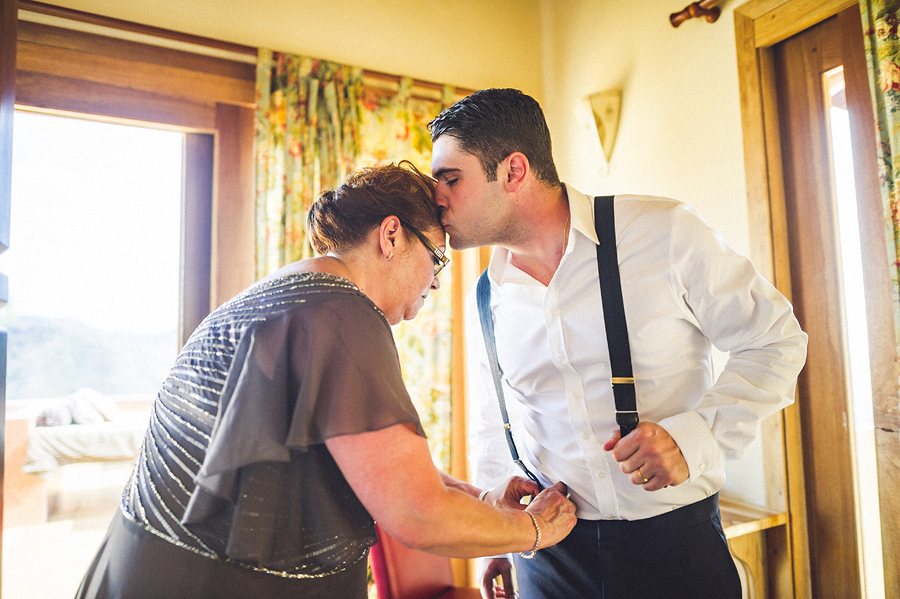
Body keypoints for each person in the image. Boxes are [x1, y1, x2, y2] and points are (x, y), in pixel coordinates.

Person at [74, 161, 577, 599]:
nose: (436, 282)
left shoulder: (284, 295)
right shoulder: (341, 315)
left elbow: (374, 466)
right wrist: (532, 529)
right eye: (437, 258)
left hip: (138, 570)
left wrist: (482, 501)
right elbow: (417, 513)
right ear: (391, 235)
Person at [427, 89, 808, 599]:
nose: (437, 197)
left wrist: (693, 437)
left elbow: (775, 341)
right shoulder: (487, 295)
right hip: (547, 559)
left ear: (513, 171)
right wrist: (498, 536)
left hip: (676, 551)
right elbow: (496, 419)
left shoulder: (664, 233)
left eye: (451, 179)